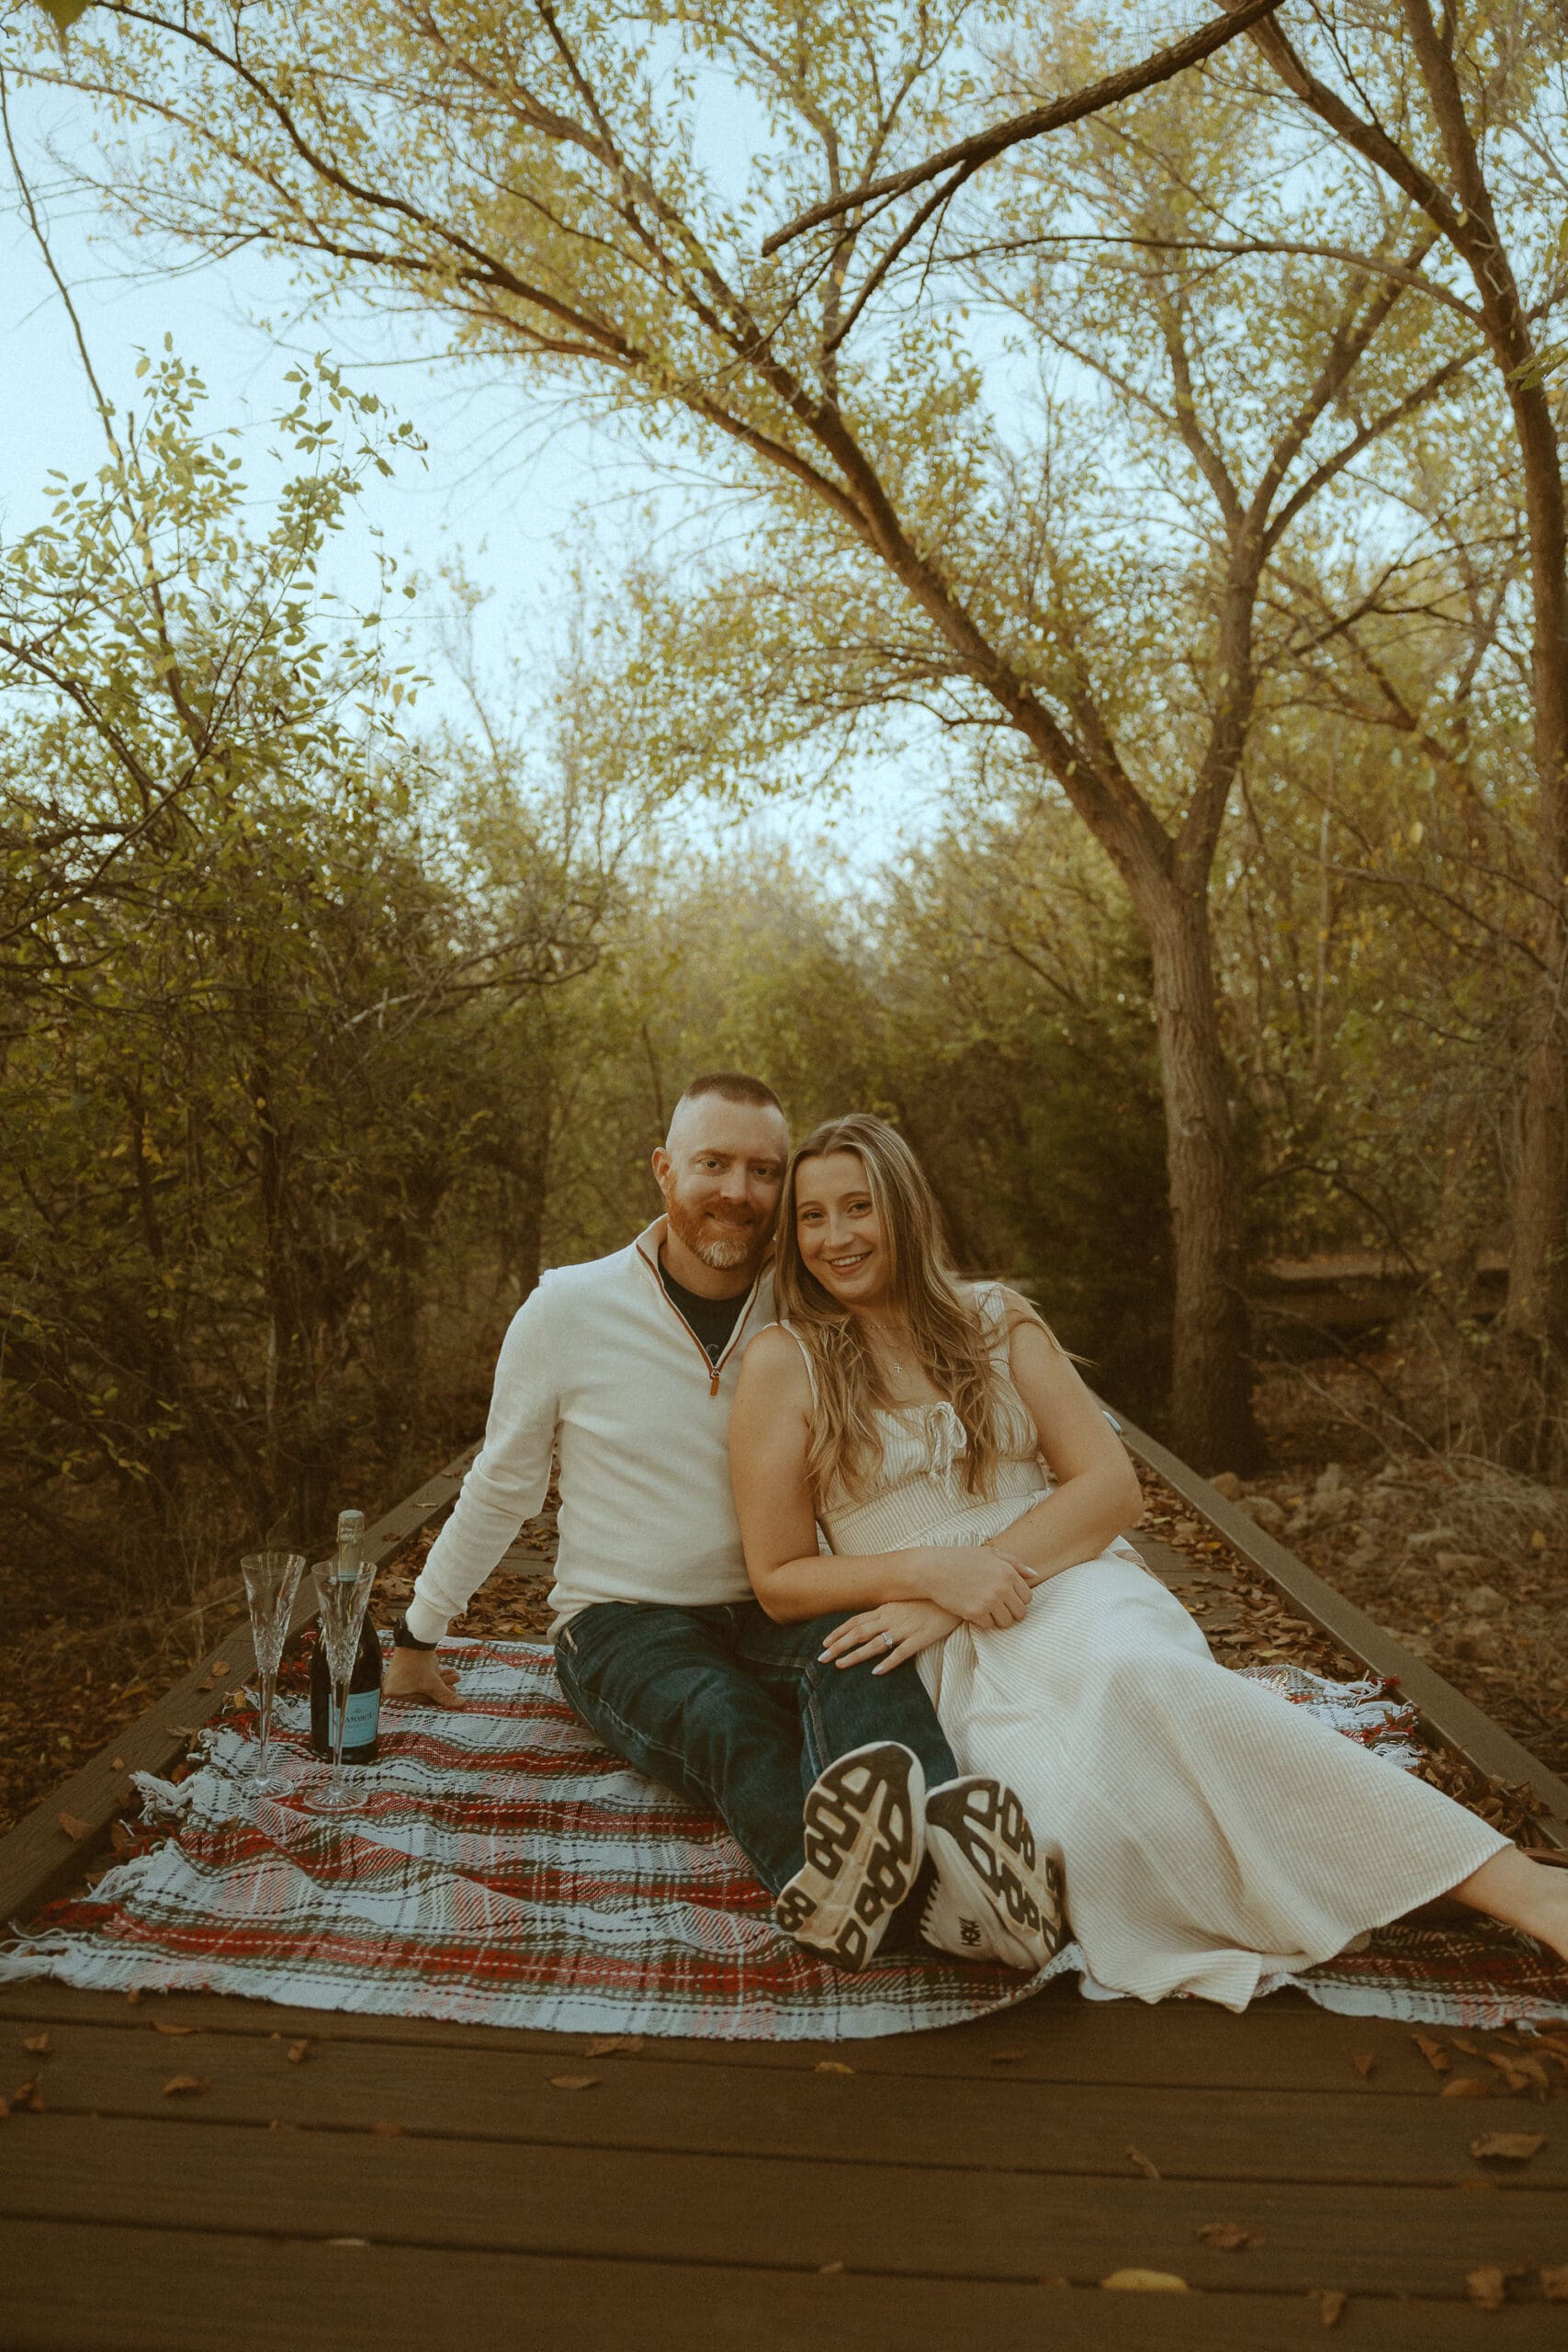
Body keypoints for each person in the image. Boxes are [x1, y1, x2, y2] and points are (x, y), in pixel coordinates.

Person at [728, 1113, 1568, 2007]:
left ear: (905, 1208)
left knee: (1141, 1682)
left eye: (858, 1207)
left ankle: (1522, 1887)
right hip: (935, 1645)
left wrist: (975, 1579)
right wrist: (932, 1578)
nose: (835, 1237)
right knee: (1076, 1830)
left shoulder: (996, 1321)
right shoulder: (788, 1363)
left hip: (1068, 1583)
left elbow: (1110, 1488)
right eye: (812, 1218)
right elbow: (779, 1579)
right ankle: (1362, 1876)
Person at [384, 1072, 1059, 1973]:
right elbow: (504, 1485)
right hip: (623, 1622)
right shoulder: (567, 1308)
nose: (739, 1192)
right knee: (730, 1722)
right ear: (664, 1169)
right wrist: (419, 1632)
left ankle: (959, 1859)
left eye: (764, 1171)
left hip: (776, 1596)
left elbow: (922, 1345)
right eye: (713, 1163)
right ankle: (848, 1891)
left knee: (867, 1660)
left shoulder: (809, 1307)